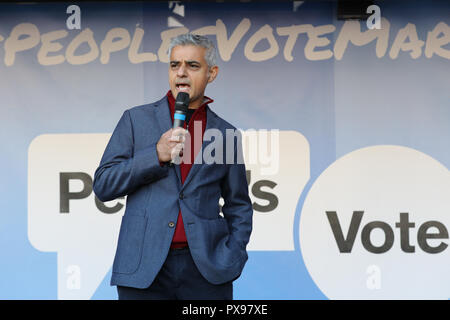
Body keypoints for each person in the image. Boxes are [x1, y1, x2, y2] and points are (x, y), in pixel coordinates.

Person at [93, 33, 253, 300]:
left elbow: (239, 204)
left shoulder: (226, 134)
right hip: (144, 269)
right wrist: (156, 154)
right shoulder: (135, 120)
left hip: (206, 271)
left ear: (212, 73)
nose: (181, 73)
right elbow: (103, 184)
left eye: (192, 65)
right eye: (174, 65)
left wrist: (232, 255)